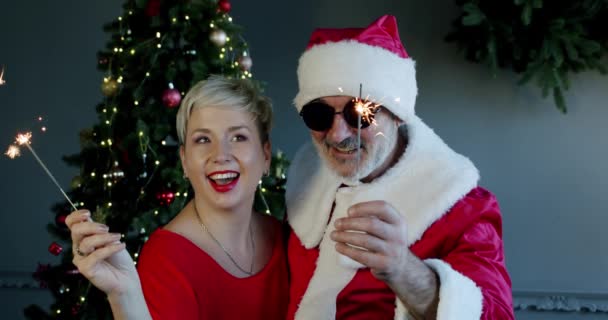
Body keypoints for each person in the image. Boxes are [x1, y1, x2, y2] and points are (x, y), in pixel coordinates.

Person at [285, 14, 514, 319]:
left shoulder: (461, 207)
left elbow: (496, 314)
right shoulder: (303, 184)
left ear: (397, 113)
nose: (338, 134)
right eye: (318, 114)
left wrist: (403, 268)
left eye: (360, 113)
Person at [66, 75, 289, 319]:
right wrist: (123, 297)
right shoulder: (166, 259)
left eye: (238, 137)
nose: (220, 155)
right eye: (203, 139)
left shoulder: (285, 238)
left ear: (265, 155)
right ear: (184, 160)